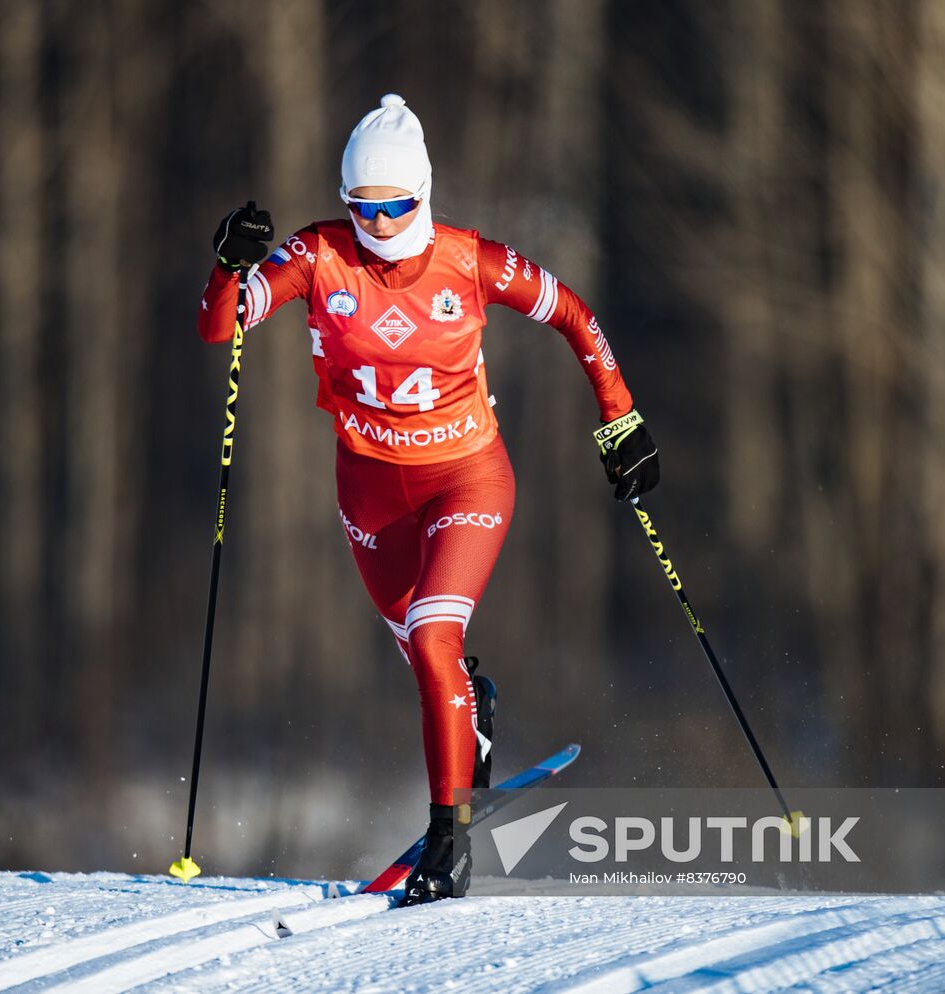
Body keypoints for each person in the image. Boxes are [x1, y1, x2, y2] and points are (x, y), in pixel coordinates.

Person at [198, 94, 659, 904]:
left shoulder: (470, 262)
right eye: (363, 208)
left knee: (434, 632)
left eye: (397, 207)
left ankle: (450, 841)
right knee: (422, 657)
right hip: (369, 491)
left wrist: (620, 418)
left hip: (466, 477)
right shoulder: (317, 255)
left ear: (425, 193)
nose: (378, 224)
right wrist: (229, 267)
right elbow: (222, 326)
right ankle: (471, 718)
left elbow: (576, 316)